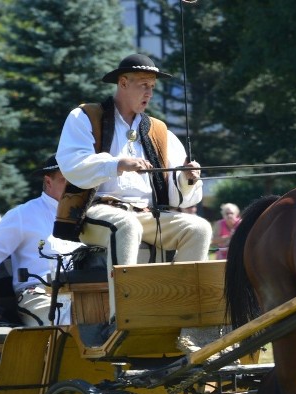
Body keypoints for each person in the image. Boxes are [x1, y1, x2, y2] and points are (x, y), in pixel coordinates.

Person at [56, 53, 212, 323]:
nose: (149, 92)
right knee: (127, 225)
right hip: (97, 213)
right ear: (123, 82)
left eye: (152, 86)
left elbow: (178, 193)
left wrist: (187, 178)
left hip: (146, 214)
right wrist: (117, 164)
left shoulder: (158, 131)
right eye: (143, 84)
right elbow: (72, 165)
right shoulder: (85, 116)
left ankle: (188, 318)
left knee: (199, 228)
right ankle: (125, 319)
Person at [0, 155, 83, 326]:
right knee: (69, 317)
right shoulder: (24, 214)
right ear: (48, 182)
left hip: (85, 290)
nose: (74, 187)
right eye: (66, 181)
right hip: (39, 293)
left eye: (78, 180)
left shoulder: (93, 213)